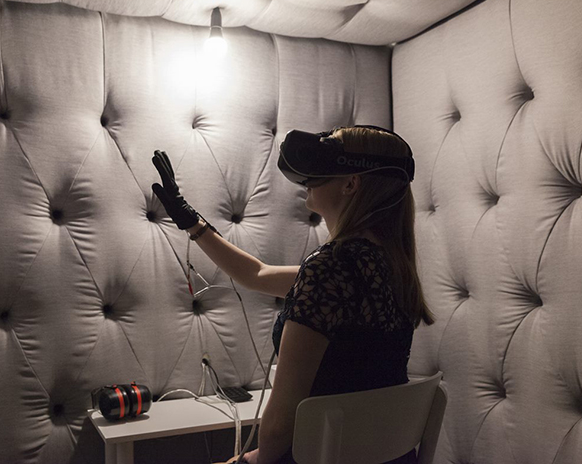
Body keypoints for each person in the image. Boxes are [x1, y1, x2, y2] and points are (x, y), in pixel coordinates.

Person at [151, 125, 434, 464]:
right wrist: (190, 221)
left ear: (350, 183)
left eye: (325, 162)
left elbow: (278, 428)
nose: (309, 177)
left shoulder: (330, 268)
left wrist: (246, 460)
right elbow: (257, 274)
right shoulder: (391, 266)